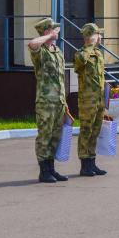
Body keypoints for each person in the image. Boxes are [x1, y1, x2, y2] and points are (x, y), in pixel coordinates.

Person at [28, 18, 69, 184]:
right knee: (45, 135)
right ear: (46, 31)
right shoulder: (41, 51)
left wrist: (64, 101)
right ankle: (43, 171)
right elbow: (32, 44)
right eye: (53, 30)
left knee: (55, 136)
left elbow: (60, 78)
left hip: (59, 101)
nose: (56, 32)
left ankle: (51, 169)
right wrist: (48, 36)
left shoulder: (57, 51)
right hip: (45, 101)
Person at [75, 23, 107, 177]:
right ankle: (84, 165)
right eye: (97, 34)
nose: (100, 37)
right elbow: (80, 61)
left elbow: (101, 76)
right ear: (90, 36)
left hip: (99, 98)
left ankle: (92, 162)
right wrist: (89, 44)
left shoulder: (98, 54)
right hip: (87, 100)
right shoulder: (81, 53)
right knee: (86, 130)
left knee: (95, 131)